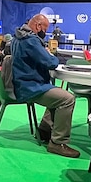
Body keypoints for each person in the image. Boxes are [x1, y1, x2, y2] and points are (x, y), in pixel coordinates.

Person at [12, 14, 80, 158]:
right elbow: (51, 62)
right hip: (31, 87)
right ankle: (57, 142)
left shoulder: (17, 38)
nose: (45, 32)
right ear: (38, 26)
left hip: (22, 84)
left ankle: (44, 130)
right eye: (45, 28)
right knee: (67, 99)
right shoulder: (31, 41)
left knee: (57, 94)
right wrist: (50, 55)